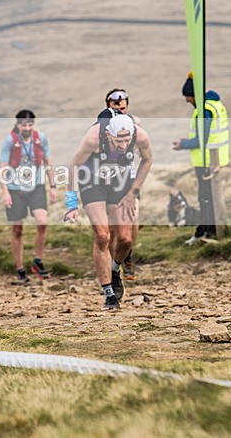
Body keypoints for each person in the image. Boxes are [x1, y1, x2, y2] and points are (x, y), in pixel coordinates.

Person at [65, 114, 153, 309]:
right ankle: (109, 294)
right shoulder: (93, 139)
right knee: (103, 236)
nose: (123, 145)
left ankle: (114, 271)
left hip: (119, 181)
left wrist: (133, 192)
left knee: (126, 239)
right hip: (92, 180)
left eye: (126, 140)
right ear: (108, 135)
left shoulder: (140, 137)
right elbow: (73, 166)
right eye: (118, 141)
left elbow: (147, 160)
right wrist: (71, 204)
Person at [171, 72, 229, 244]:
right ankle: (210, 230)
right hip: (212, 160)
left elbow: (201, 140)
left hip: (207, 161)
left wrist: (182, 144)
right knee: (210, 198)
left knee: (205, 199)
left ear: (193, 95)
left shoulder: (204, 110)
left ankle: (204, 232)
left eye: (187, 96)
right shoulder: (213, 105)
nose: (186, 100)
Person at [0, 110, 56, 284]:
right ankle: (20, 269)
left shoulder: (40, 138)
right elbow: (2, 166)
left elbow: (48, 162)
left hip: (36, 186)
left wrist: (53, 186)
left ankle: (38, 261)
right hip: (15, 189)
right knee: (18, 229)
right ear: (18, 125)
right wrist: (5, 191)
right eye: (24, 125)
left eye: (30, 125)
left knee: (42, 222)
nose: (28, 128)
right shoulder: (10, 140)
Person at [98, 89, 141, 280]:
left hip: (129, 180)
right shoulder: (103, 125)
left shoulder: (132, 123)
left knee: (133, 221)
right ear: (109, 105)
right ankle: (112, 265)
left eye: (124, 105)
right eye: (116, 105)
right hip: (109, 182)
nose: (120, 107)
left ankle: (127, 256)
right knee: (112, 229)